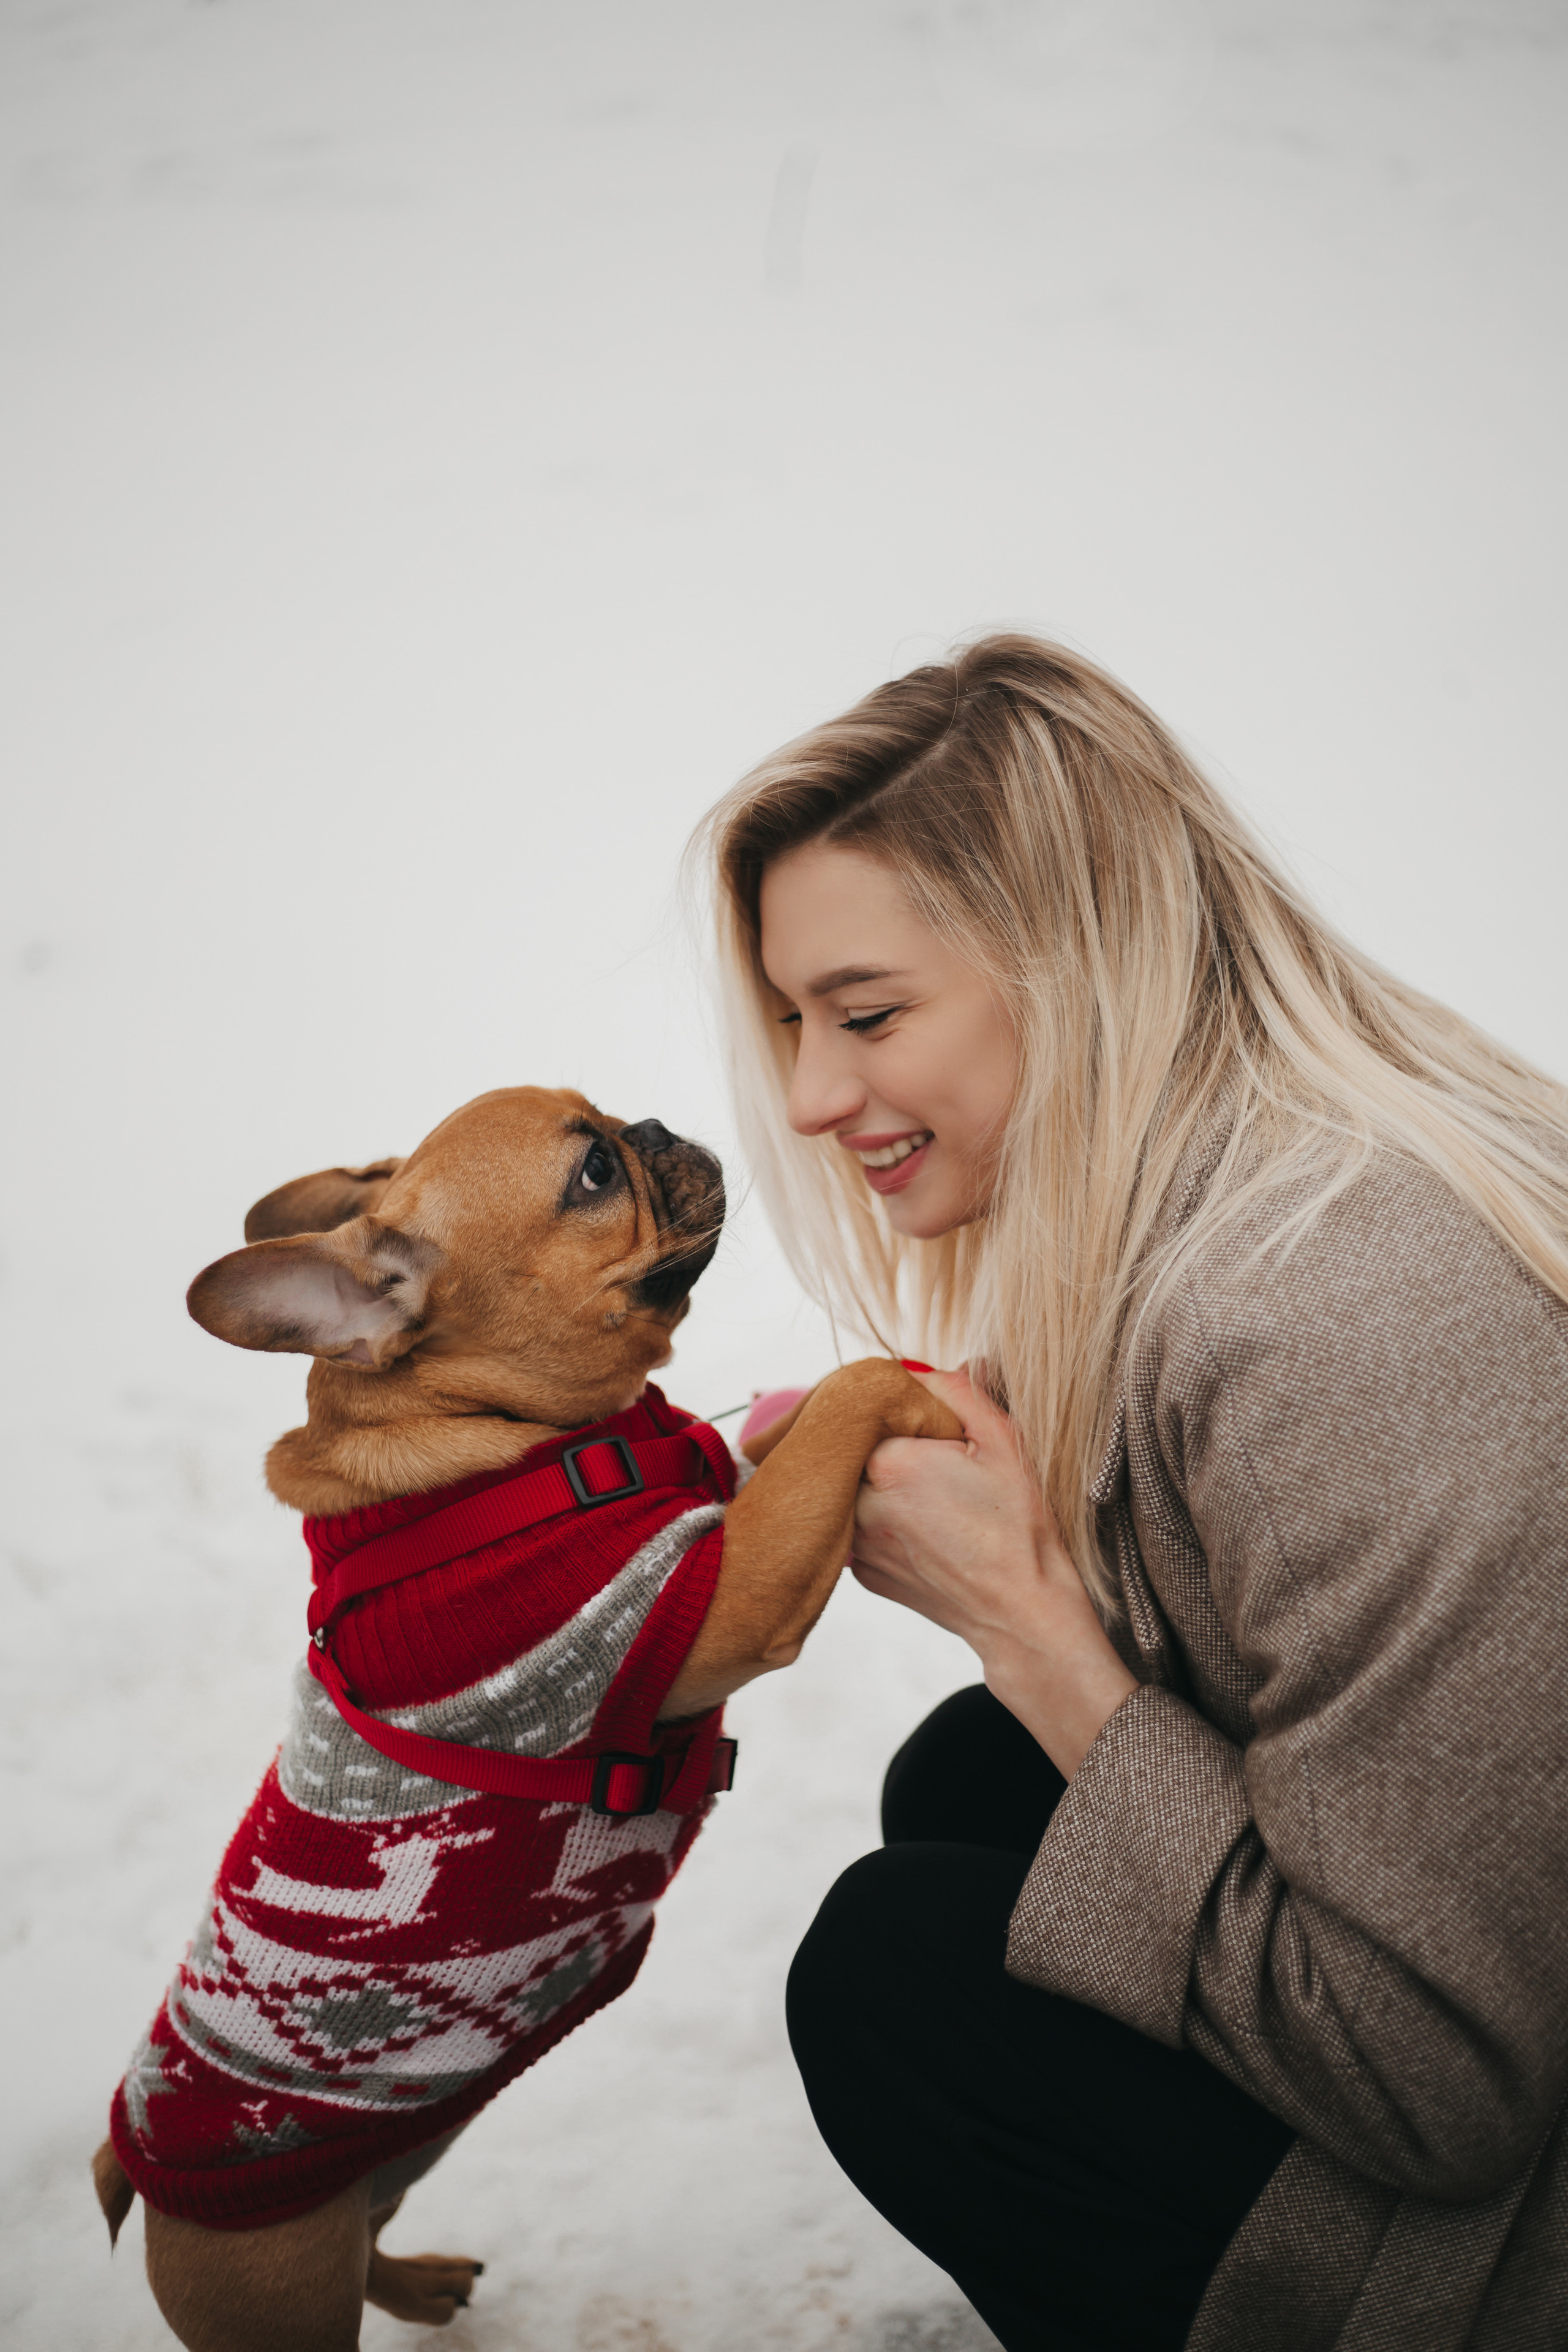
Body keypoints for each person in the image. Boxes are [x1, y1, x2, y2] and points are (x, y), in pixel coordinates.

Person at [695, 635, 1568, 2352]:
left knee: (899, 1985)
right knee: (975, 1789)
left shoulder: (1339, 1316)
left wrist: (1032, 1623)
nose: (806, 1095)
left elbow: (1446, 2094)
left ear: (1078, 960)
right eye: (794, 1020)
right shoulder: (1251, 1201)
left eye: (866, 1015)